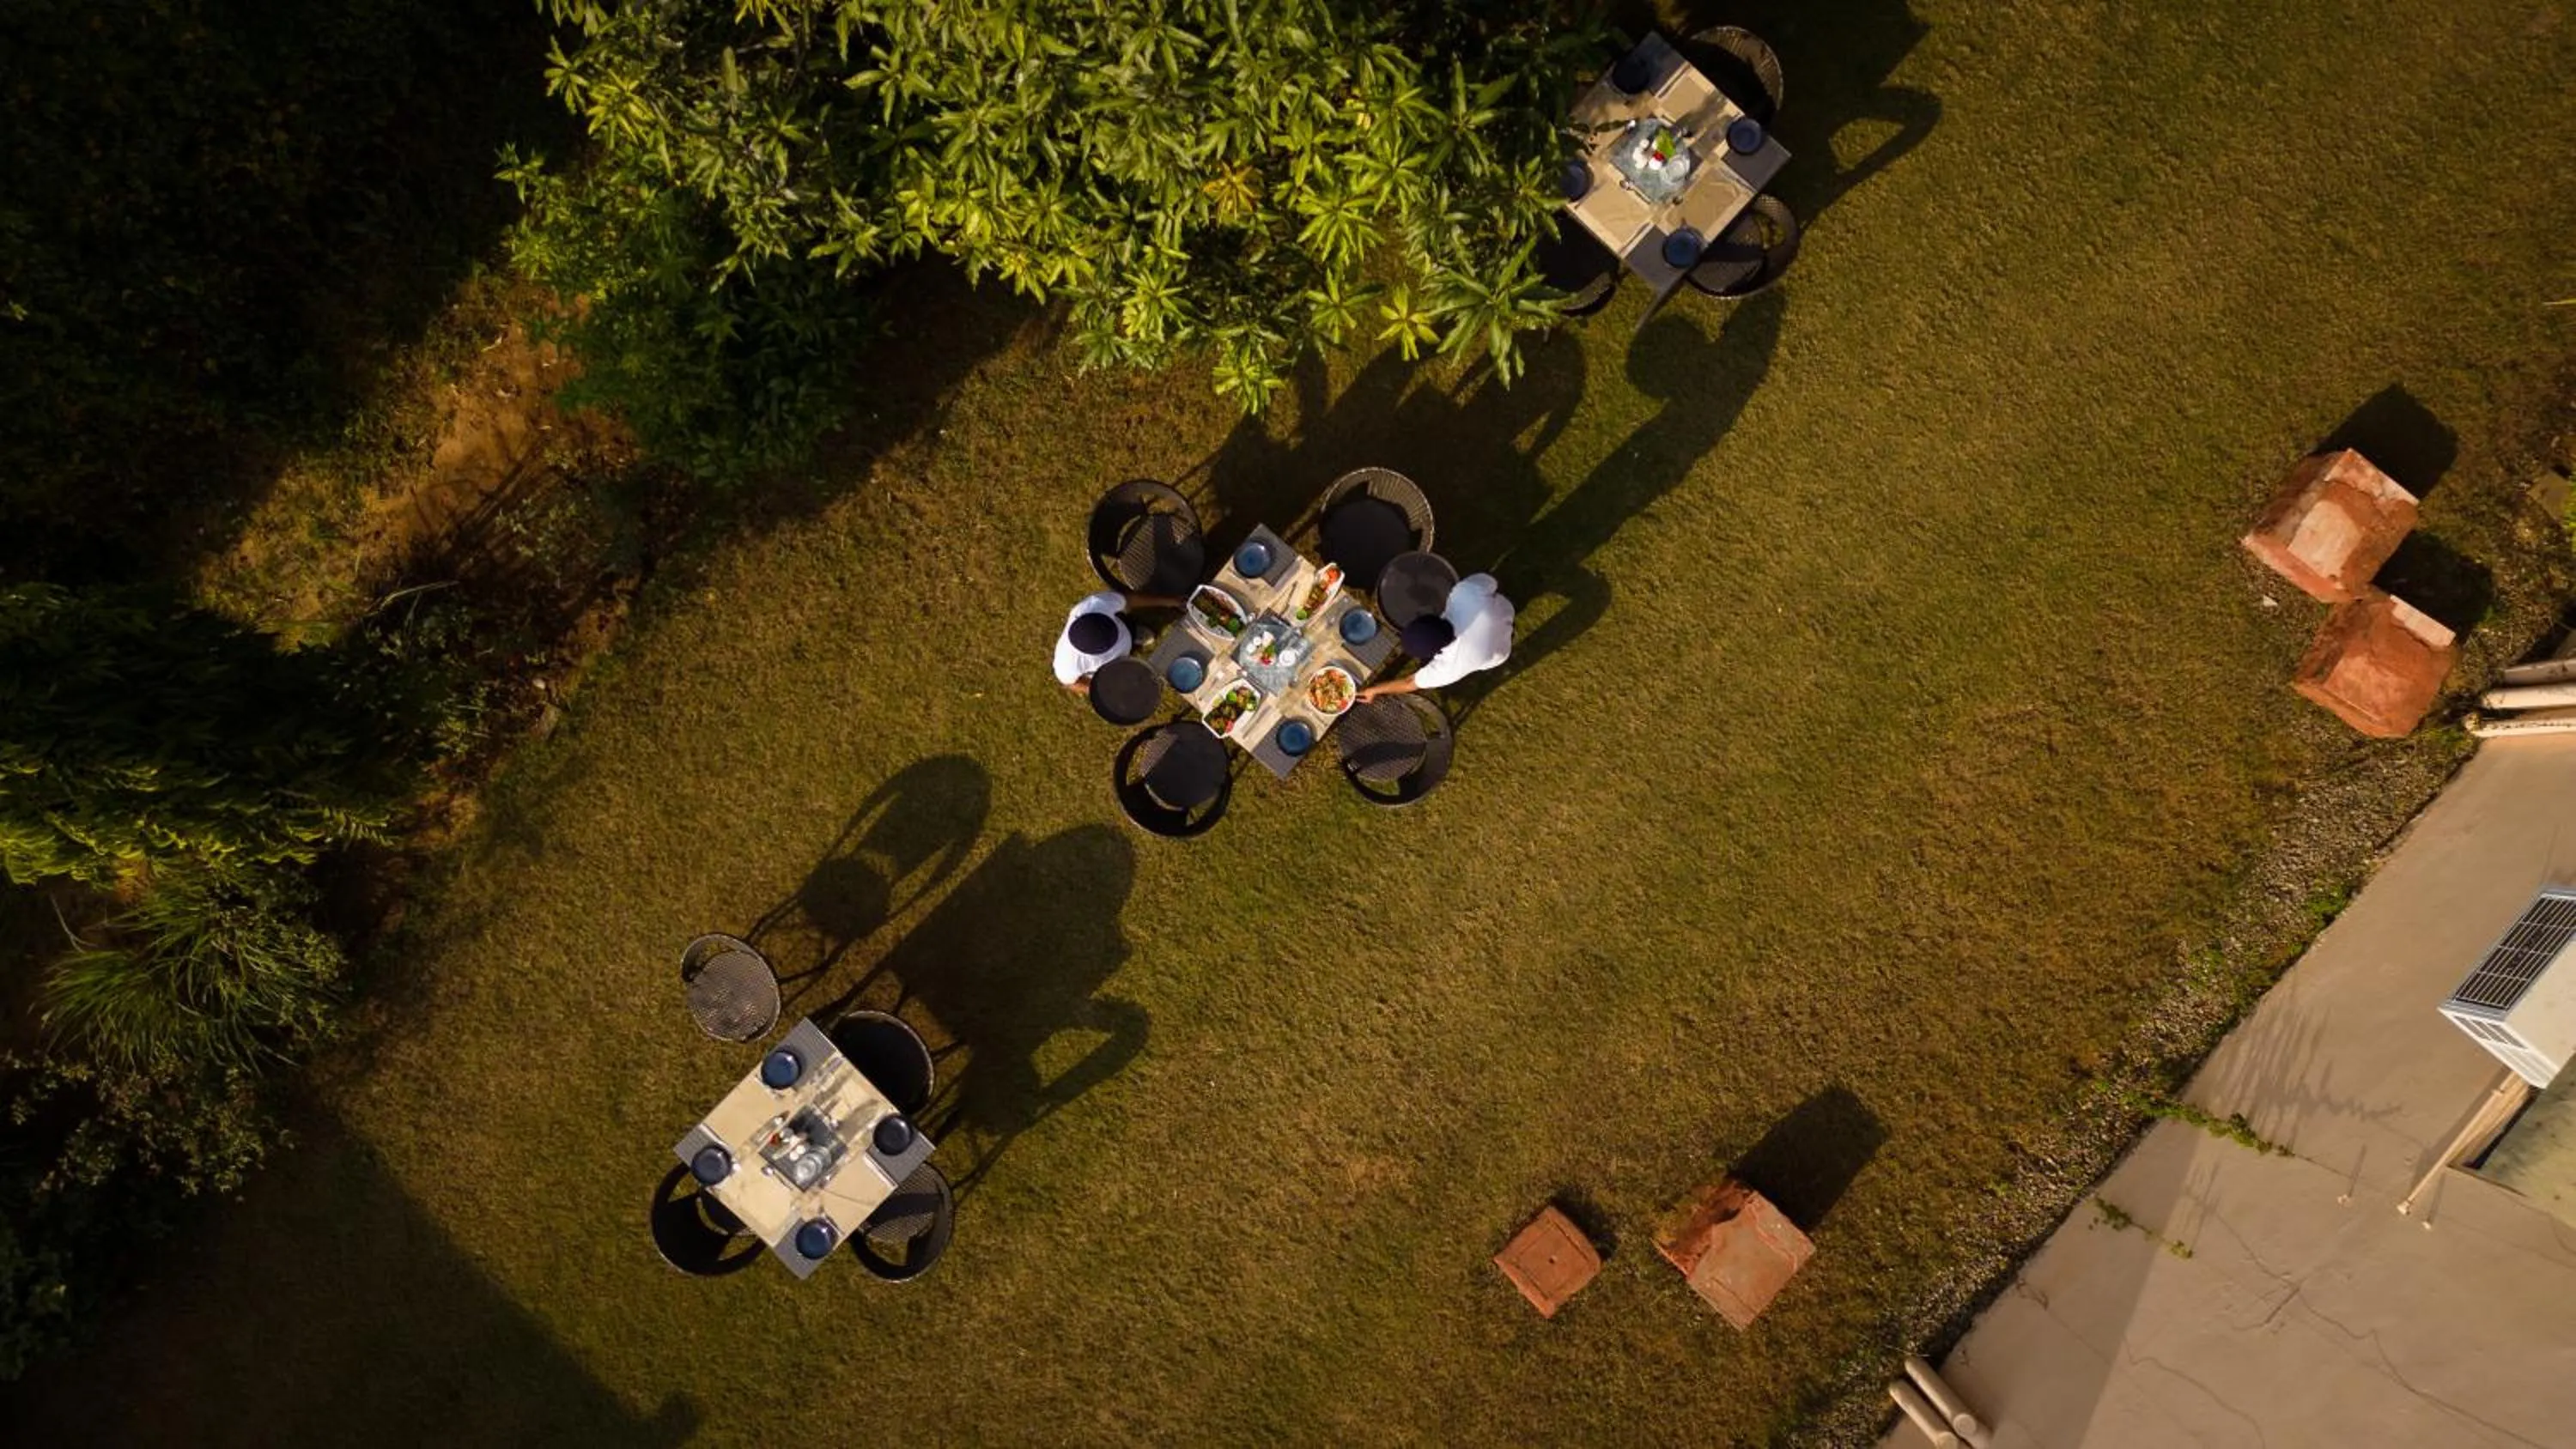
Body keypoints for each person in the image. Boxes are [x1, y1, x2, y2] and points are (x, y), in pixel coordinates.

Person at [1357, 573, 1515, 702]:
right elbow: (1491, 581)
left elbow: (1410, 682)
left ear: (1437, 652)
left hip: (1498, 654)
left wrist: (1374, 690)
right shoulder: (1464, 592)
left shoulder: (1449, 668)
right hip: (1506, 611)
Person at [1053, 590, 1176, 694]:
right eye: (1111, 644)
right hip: (1111, 669)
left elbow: (1129, 600)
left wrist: (1168, 601)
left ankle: (1133, 633)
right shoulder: (1065, 665)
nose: (1116, 641)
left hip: (1126, 628)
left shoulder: (1093, 605)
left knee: (1126, 628)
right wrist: (1104, 691)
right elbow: (1072, 684)